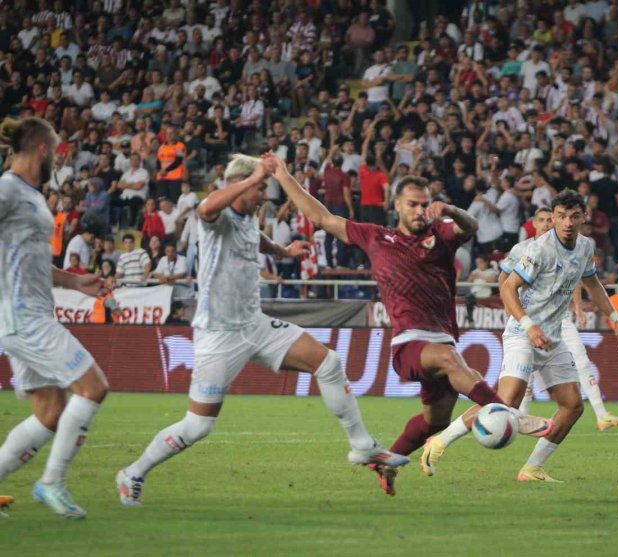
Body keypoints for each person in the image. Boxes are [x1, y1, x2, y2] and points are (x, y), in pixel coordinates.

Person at [116, 154, 408, 507]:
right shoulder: (217, 218)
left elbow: (257, 240)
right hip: (218, 334)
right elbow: (205, 208)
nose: (263, 199)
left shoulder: (246, 222)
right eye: (260, 192)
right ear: (243, 185)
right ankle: (133, 472)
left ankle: (362, 446)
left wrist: (285, 250)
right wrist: (254, 175)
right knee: (197, 426)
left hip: (255, 325)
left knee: (328, 363)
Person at [262, 153, 553, 496]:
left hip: (441, 338)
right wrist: (282, 176)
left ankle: (387, 463)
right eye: (412, 204)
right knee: (450, 361)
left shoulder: (441, 234)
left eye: (424, 204)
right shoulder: (374, 237)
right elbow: (321, 217)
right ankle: (511, 415)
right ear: (397, 205)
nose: (419, 211)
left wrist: (451, 210)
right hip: (409, 345)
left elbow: (470, 228)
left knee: (436, 421)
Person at [422, 191, 618, 482]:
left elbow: (593, 283)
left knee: (572, 406)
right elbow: (507, 288)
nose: (567, 223)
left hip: (552, 336)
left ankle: (532, 468)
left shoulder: (585, 247)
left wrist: (615, 317)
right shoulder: (538, 249)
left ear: (584, 217)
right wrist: (529, 324)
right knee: (505, 403)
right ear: (553, 218)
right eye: (561, 216)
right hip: (524, 332)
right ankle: (441, 440)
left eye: (574, 216)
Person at [0, 117, 110, 519]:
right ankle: (51, 482)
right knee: (93, 387)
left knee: (49, 413)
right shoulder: (9, 189)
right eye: (57, 150)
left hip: (27, 315)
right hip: (24, 318)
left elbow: (32, 260)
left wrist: (75, 282)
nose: (60, 158)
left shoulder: (29, 195)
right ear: (43, 149)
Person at [501, 207, 618, 431]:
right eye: (542, 220)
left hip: (559, 318)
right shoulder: (523, 249)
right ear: (534, 224)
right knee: (518, 384)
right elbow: (505, 281)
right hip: (528, 320)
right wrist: (517, 315)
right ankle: (519, 418)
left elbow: (577, 280)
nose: (547, 224)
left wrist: (578, 306)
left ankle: (601, 413)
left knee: (580, 358)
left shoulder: (572, 247)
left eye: (551, 220)